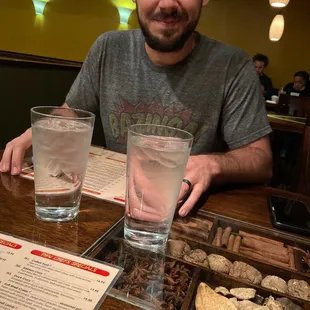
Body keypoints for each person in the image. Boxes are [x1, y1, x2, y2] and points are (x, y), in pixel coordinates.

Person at [0, 0, 272, 218]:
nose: (166, 4)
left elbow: (261, 159)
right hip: (108, 209)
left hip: (180, 216)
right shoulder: (108, 46)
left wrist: (211, 164)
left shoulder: (232, 64)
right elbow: (73, 111)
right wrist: (40, 131)